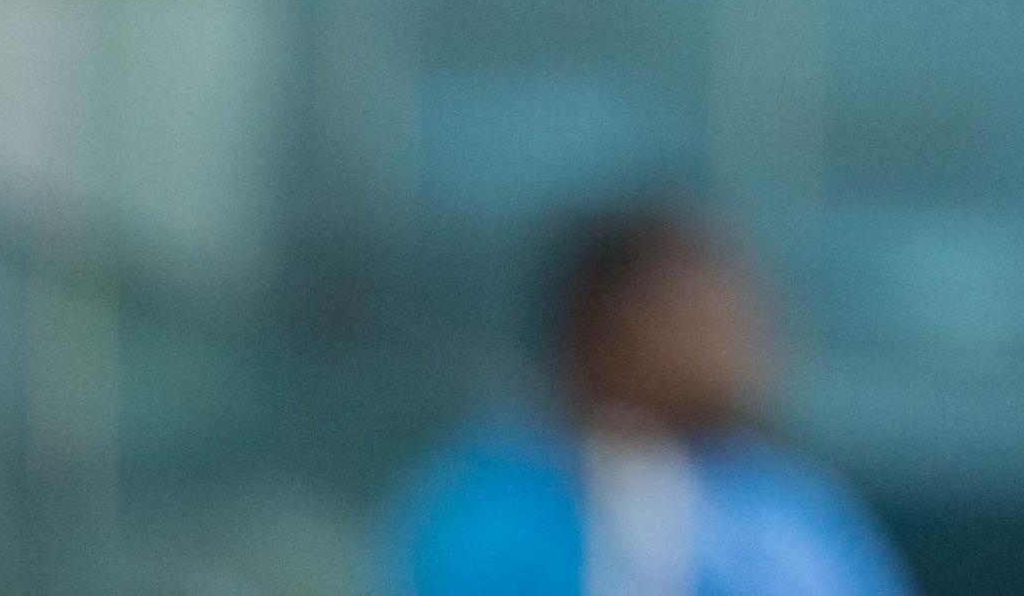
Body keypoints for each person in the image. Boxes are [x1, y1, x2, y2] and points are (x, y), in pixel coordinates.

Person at [386, 207, 912, 596]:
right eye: (700, 322)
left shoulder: (788, 510)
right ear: (601, 329)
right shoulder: (494, 501)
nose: (738, 349)